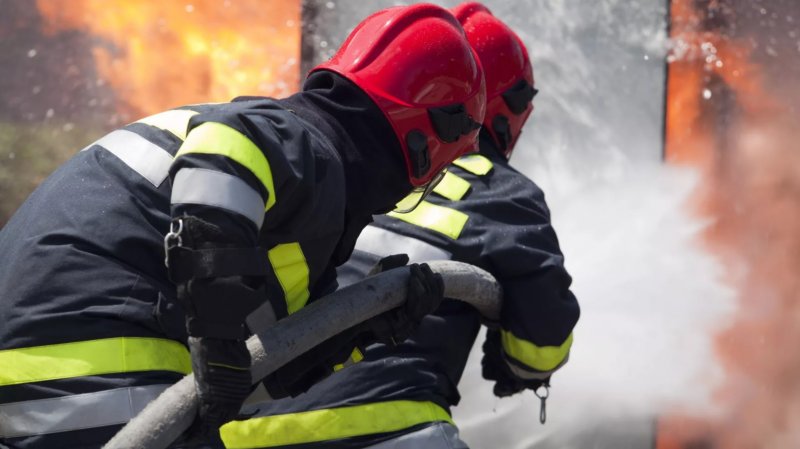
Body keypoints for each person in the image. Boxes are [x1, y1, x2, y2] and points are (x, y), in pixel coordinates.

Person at [0, 4, 486, 448]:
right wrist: (215, 337)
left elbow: (257, 374)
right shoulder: (301, 142)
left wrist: (362, 327)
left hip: (39, 382)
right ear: (428, 141)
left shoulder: (291, 204)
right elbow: (225, 152)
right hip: (92, 375)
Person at [219, 3, 580, 449]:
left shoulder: (330, 167)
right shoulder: (499, 192)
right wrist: (515, 360)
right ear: (506, 107)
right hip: (387, 431)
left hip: (231, 429)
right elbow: (541, 345)